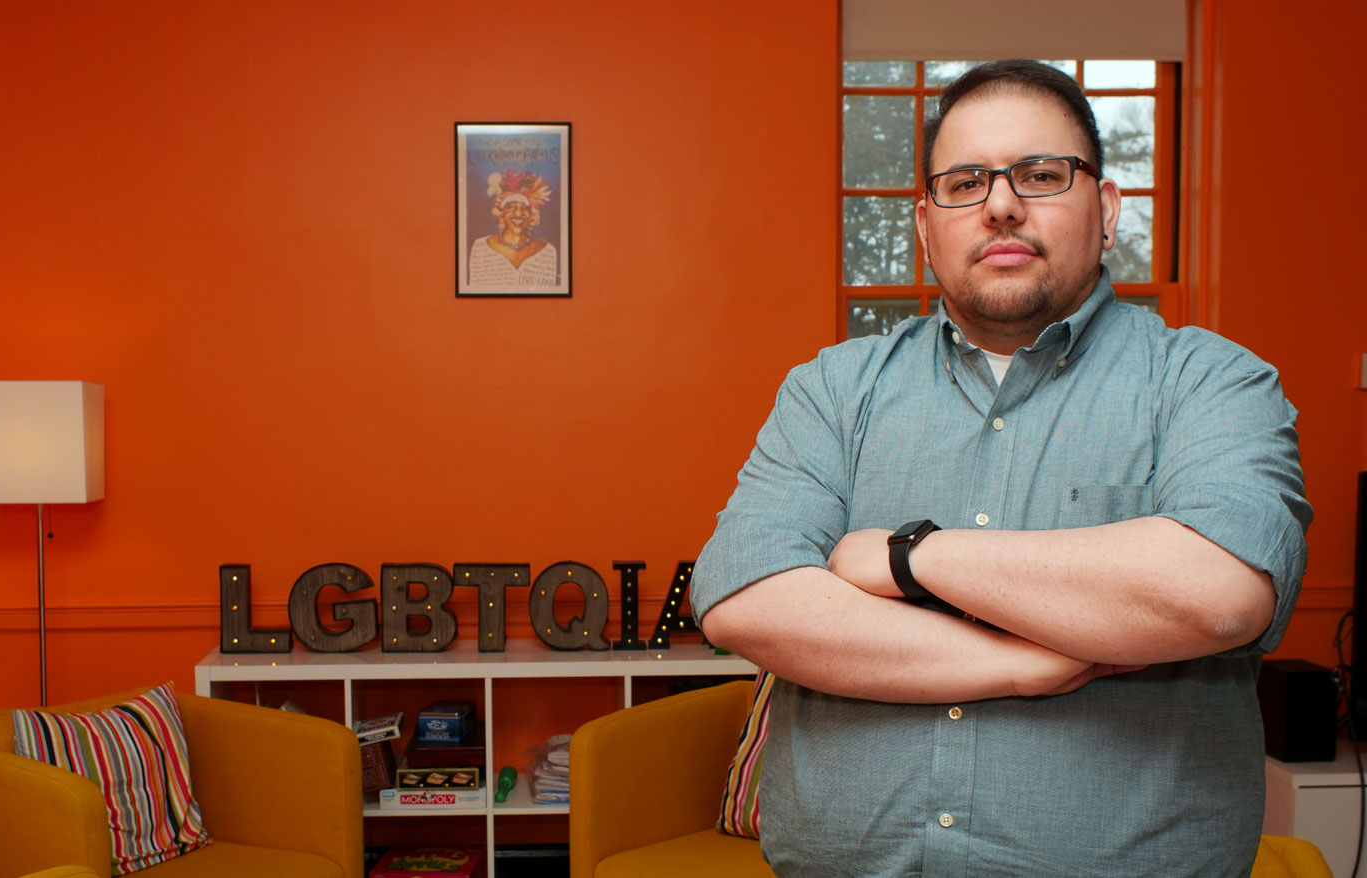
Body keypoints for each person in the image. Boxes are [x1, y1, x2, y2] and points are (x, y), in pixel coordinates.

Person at [692, 59, 1310, 878]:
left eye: (1041, 174)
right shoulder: (833, 390)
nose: (1002, 205)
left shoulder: (1212, 381)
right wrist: (1026, 665)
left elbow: (1220, 592)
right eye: (965, 183)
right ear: (925, 226)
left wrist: (910, 556)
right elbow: (744, 597)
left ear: (1108, 208)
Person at [468, 169, 558, 288]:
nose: (518, 214)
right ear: (502, 212)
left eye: (525, 208)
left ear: (532, 214)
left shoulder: (547, 253)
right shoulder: (480, 249)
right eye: (511, 206)